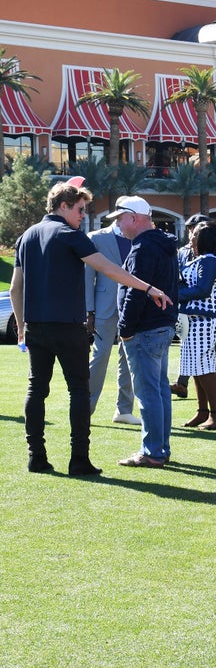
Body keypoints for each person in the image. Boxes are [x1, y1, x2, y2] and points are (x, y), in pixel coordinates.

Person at [12, 184, 171, 476]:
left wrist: (21, 327)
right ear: (63, 206)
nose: (83, 216)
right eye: (80, 209)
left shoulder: (27, 236)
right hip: (68, 326)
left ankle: (36, 457)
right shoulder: (71, 236)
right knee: (79, 391)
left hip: (36, 327)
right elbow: (111, 269)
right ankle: (79, 460)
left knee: (37, 389)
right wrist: (148, 287)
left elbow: (14, 288)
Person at [112, 196, 181, 468]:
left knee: (150, 391)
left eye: (120, 218)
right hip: (161, 325)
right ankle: (159, 448)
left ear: (133, 217)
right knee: (159, 390)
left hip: (145, 328)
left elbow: (135, 293)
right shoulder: (161, 244)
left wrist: (125, 329)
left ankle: (153, 451)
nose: (118, 224)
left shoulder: (143, 248)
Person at [171, 214, 216, 396]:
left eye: (196, 230)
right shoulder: (184, 251)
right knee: (191, 354)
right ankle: (184, 386)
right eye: (191, 229)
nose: (192, 234)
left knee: (212, 354)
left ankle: (215, 393)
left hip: (209, 312)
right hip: (189, 311)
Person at [85, 218, 138, 425]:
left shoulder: (139, 236)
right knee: (100, 356)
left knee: (129, 357)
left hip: (132, 304)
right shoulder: (96, 238)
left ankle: (124, 410)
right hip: (104, 306)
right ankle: (85, 408)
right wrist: (89, 309)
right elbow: (88, 276)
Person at [177, 223, 216, 430]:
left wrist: (174, 295)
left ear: (205, 239)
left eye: (195, 234)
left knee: (203, 364)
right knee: (196, 365)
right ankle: (202, 412)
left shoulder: (209, 261)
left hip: (206, 317)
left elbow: (202, 289)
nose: (191, 237)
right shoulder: (199, 259)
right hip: (195, 318)